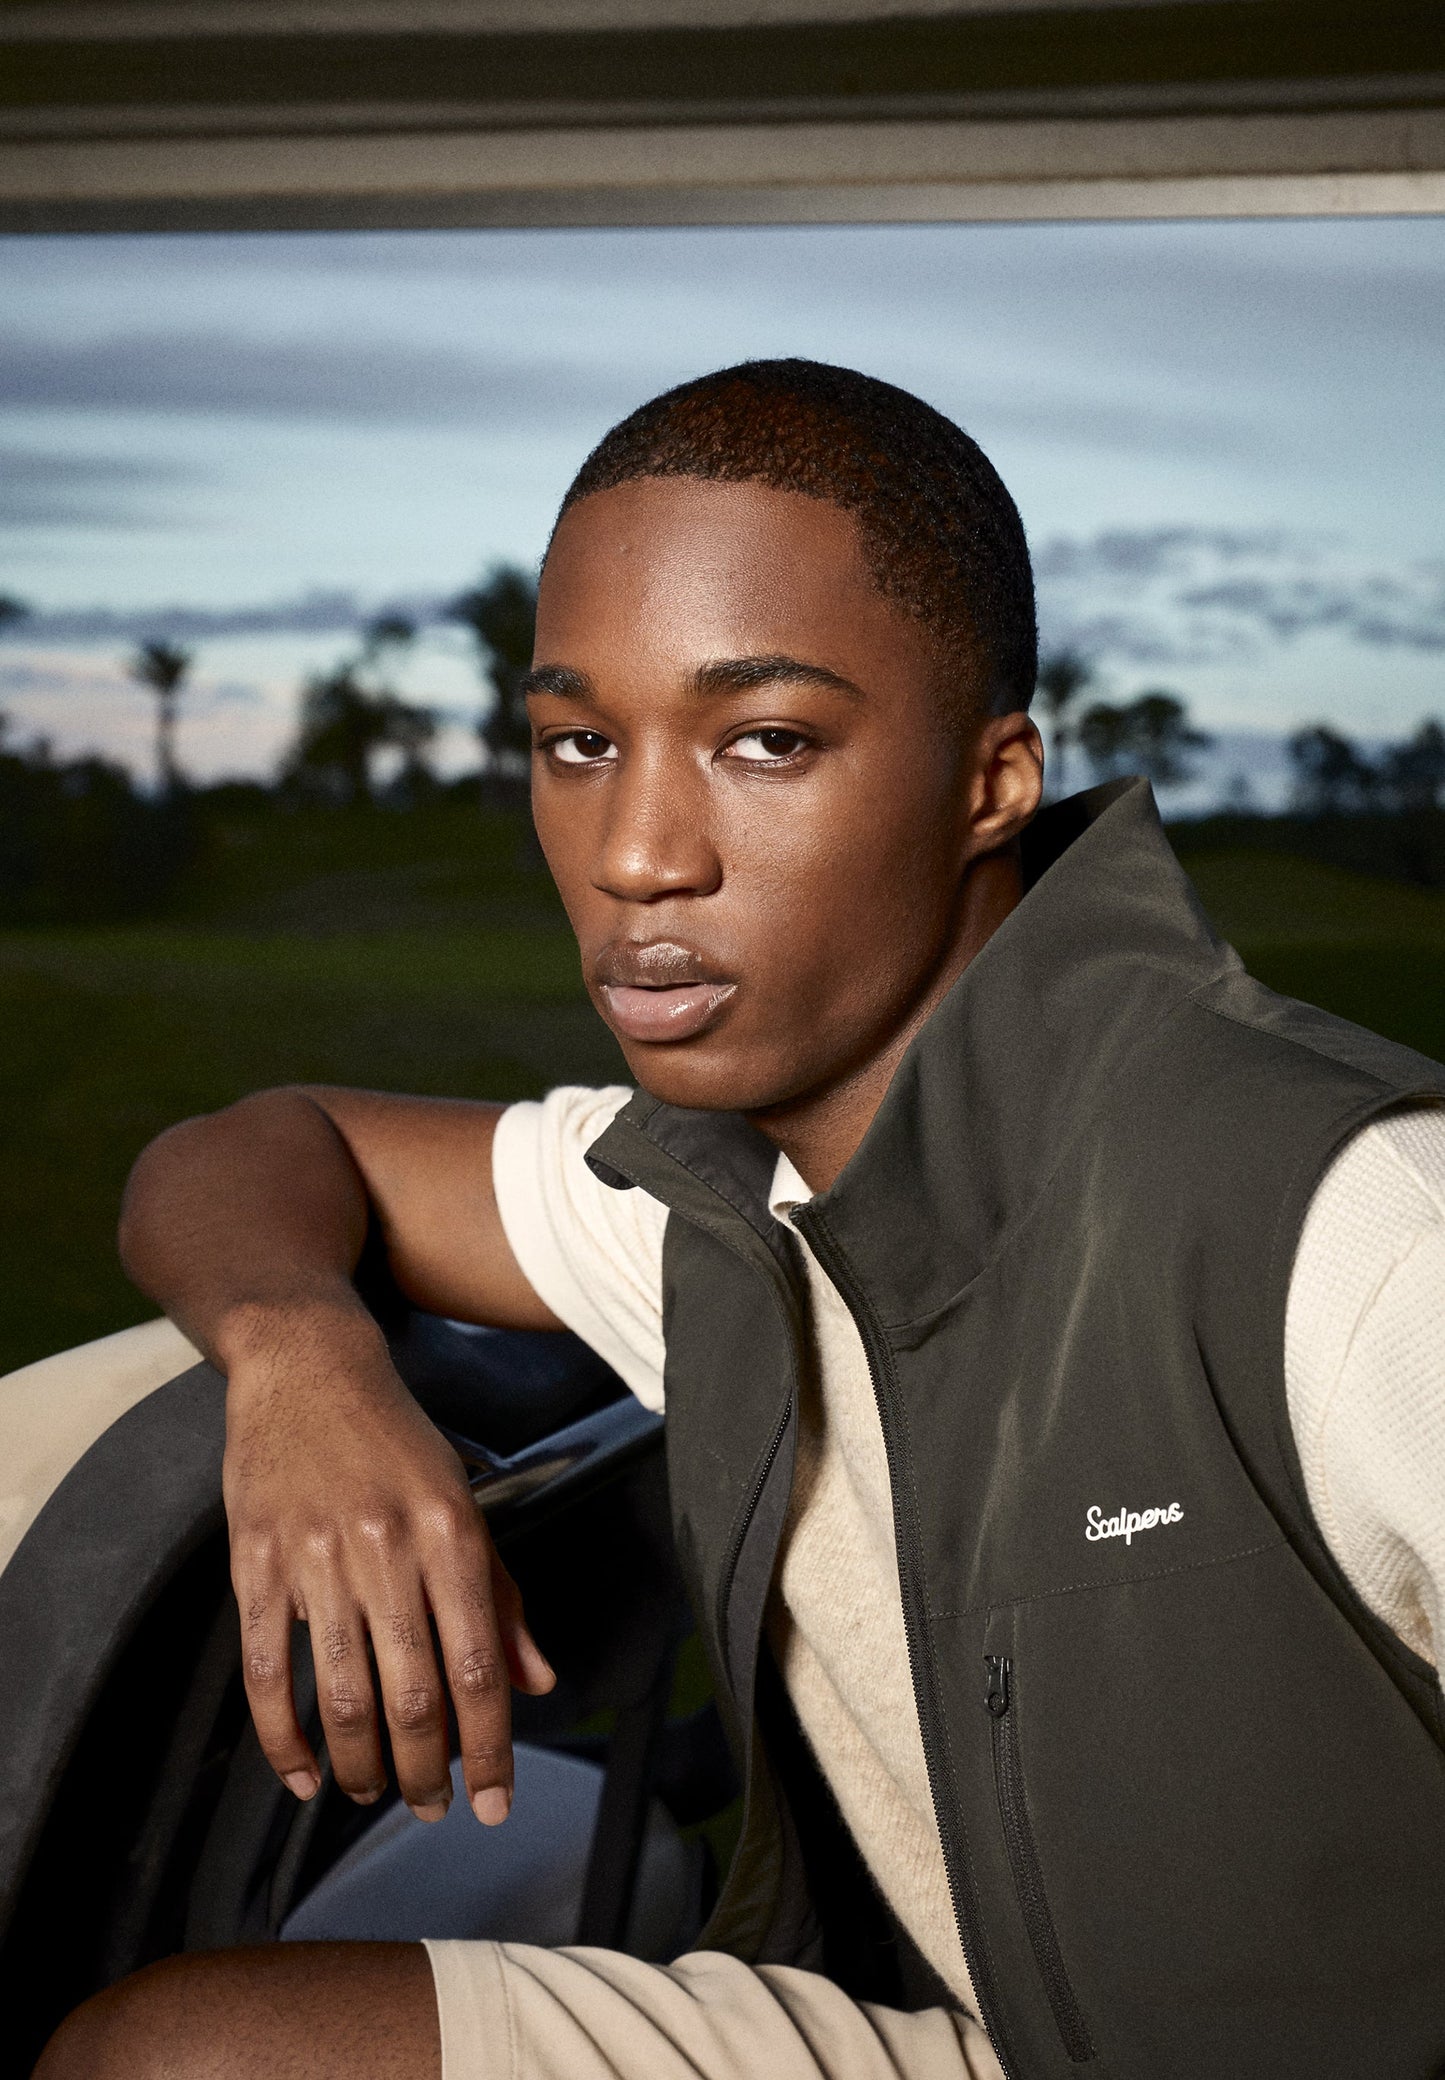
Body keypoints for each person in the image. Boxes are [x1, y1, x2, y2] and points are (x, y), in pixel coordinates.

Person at [37, 360, 1445, 2080]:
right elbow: (256, 1150)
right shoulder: (712, 1206)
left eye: (766, 741)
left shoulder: (1358, 1233)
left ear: (993, 781)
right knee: (177, 2058)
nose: (637, 854)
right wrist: (299, 1363)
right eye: (578, 744)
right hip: (971, 2040)